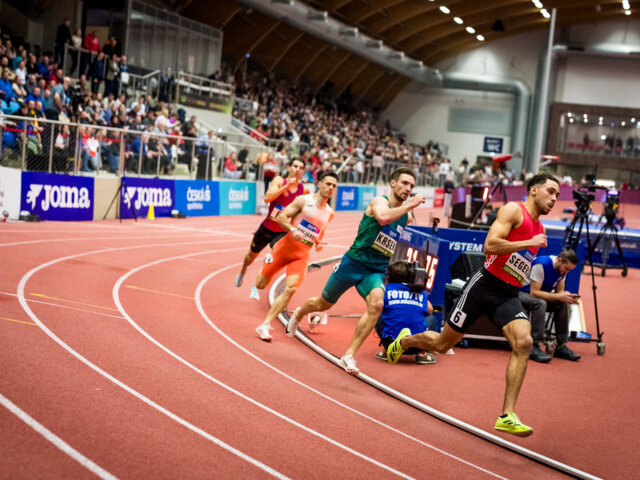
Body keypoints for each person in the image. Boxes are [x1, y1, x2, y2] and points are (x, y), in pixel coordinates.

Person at [386, 172, 560, 437]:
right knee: (442, 344)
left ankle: (507, 415)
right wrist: (528, 242)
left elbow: (518, 261)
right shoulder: (514, 211)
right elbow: (490, 245)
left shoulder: (541, 229)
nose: (554, 198)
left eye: (557, 194)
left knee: (524, 342)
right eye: (550, 191)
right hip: (483, 287)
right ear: (533, 190)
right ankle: (405, 341)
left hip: (508, 294)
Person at [285, 167, 426, 374]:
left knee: (377, 303)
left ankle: (348, 355)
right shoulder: (379, 202)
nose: (408, 188)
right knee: (323, 304)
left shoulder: (408, 218)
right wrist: (411, 205)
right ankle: (299, 313)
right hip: (353, 263)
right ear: (393, 183)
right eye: (405, 183)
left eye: (412, 186)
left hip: (375, 270)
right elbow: (383, 218)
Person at [254, 172, 337, 341]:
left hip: (301, 255)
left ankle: (265, 325)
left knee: (290, 289)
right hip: (284, 249)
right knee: (260, 284)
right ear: (319, 183)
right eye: (328, 184)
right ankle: (266, 263)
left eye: (334, 186)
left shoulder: (330, 212)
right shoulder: (303, 201)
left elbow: (318, 231)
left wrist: (318, 242)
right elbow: (281, 217)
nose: (331, 188)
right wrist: (292, 229)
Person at [235, 157, 307, 291]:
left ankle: (268, 281)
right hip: (266, 228)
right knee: (250, 257)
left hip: (282, 232)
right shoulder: (279, 180)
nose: (298, 170)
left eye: (301, 168)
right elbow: (267, 198)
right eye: (295, 166)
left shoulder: (302, 189)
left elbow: (298, 212)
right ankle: (242, 271)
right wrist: (286, 187)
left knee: (277, 256)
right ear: (289, 168)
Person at [518, 248, 581, 363]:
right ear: (559, 260)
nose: (567, 272)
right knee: (540, 303)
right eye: (566, 268)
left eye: (569, 270)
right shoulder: (541, 265)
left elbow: (559, 293)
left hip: (537, 295)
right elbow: (534, 293)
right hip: (521, 293)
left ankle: (561, 346)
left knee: (562, 303)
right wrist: (559, 296)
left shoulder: (562, 270)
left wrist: (567, 297)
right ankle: (534, 346)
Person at [374, 261, 436, 365]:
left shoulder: (385, 290)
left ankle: (387, 350)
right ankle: (421, 353)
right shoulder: (420, 292)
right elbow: (430, 310)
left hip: (392, 343)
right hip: (416, 345)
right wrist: (420, 291)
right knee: (431, 319)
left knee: (378, 314)